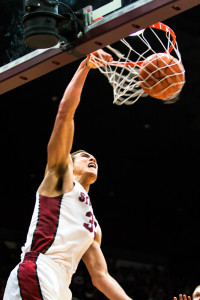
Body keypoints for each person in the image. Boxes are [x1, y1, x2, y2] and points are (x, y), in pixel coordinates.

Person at [3, 50, 132, 300]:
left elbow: (101, 277)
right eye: (84, 156)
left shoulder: (93, 225)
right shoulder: (60, 178)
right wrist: (85, 67)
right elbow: (65, 114)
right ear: (69, 165)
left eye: (93, 156)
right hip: (40, 269)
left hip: (62, 285)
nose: (92, 158)